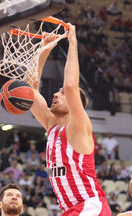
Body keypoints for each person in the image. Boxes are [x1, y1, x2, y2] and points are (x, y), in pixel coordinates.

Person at [27, 24, 110, 215]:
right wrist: (44, 50)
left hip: (90, 205)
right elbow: (29, 92)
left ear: (75, 104)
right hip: (70, 210)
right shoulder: (52, 126)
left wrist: (72, 42)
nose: (55, 94)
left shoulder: (78, 126)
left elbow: (71, 86)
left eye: (61, 93)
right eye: (57, 91)